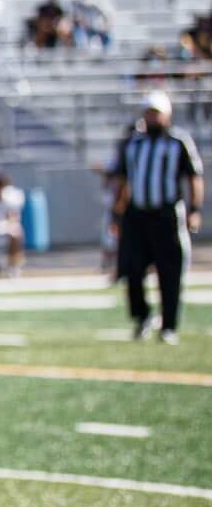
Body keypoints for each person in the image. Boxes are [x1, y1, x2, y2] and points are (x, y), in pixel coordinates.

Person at [108, 91, 202, 343]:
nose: (152, 117)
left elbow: (193, 177)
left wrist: (194, 209)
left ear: (167, 114)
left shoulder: (178, 142)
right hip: (136, 215)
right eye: (149, 112)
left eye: (156, 113)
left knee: (170, 272)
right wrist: (116, 213)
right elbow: (122, 180)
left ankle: (169, 326)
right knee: (131, 269)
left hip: (166, 215)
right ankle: (143, 317)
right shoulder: (133, 144)